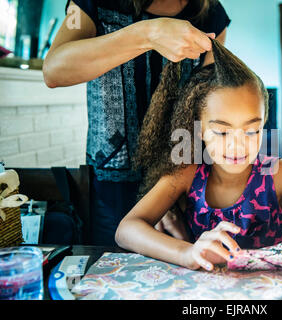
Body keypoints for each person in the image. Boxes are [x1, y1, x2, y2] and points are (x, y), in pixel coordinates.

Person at [114, 40, 282, 274]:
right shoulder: (187, 173)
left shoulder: (279, 173)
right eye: (222, 132)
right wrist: (187, 252)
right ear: (198, 128)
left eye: (251, 130)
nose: (238, 146)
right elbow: (126, 230)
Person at [43, 0, 231, 245]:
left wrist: (167, 193)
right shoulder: (86, 5)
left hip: (180, 185)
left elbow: (203, 110)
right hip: (111, 189)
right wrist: (148, 34)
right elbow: (54, 70)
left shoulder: (212, 15)